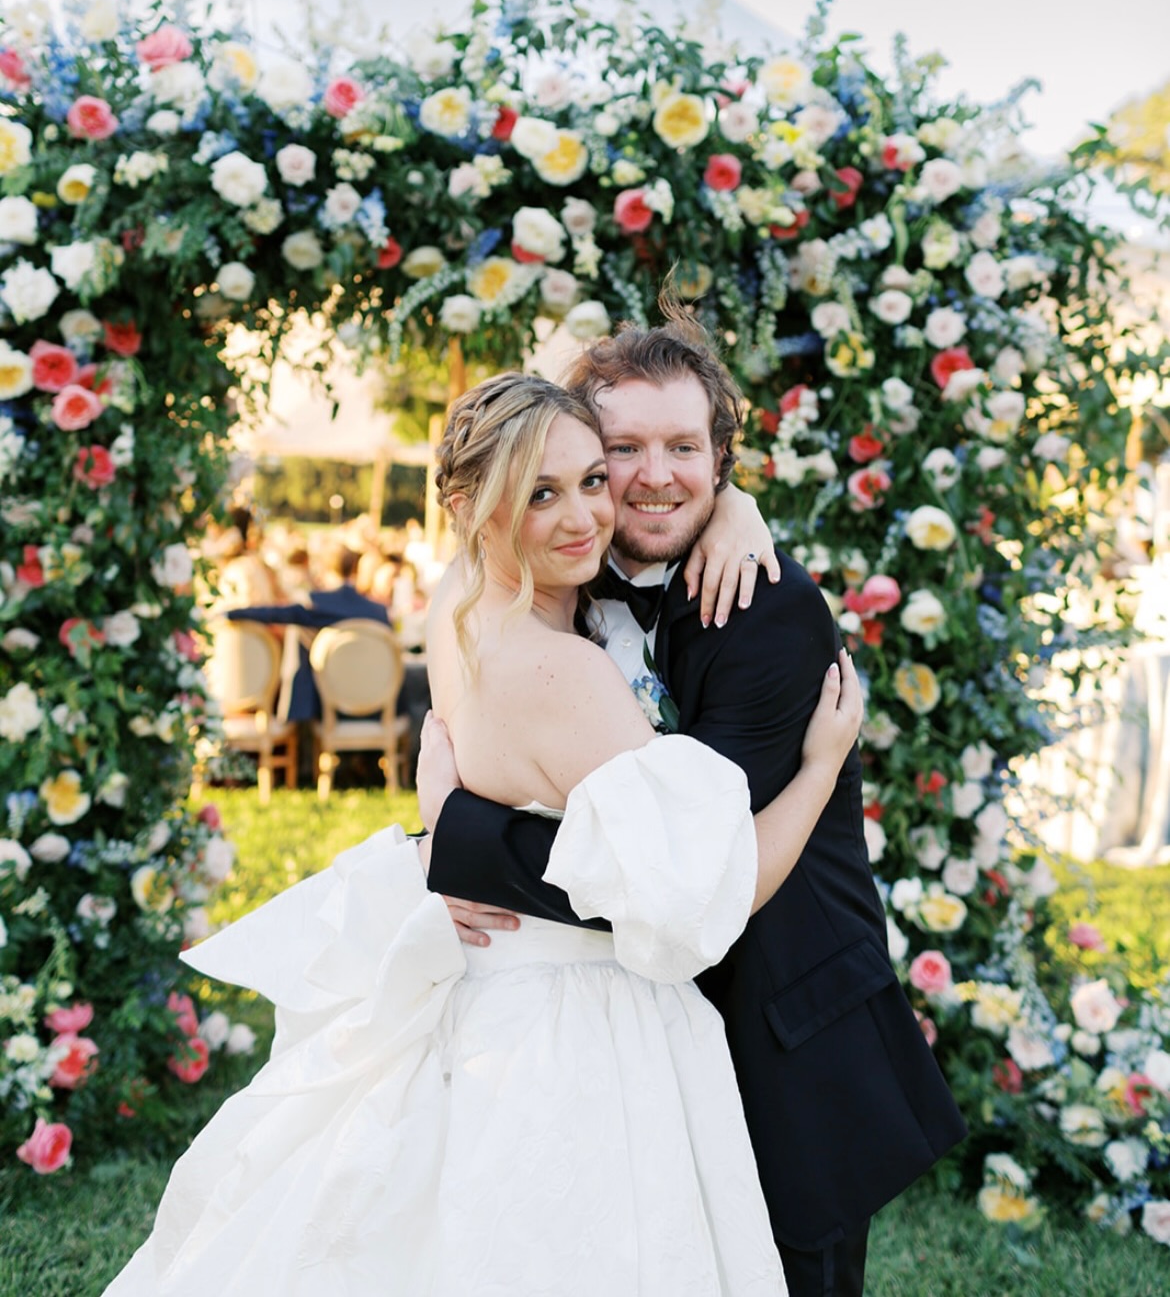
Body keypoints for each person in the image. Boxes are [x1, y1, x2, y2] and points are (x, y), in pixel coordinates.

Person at [103, 373, 861, 1296]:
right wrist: (821, 768)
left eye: (591, 479)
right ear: (472, 508)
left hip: (488, 985)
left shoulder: (459, 601)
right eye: (540, 495)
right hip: (577, 1020)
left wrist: (734, 506)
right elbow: (709, 896)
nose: (585, 515)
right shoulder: (566, 673)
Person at [424, 313, 967, 1297]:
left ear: (723, 458)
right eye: (622, 451)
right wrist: (438, 788)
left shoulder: (770, 614)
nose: (654, 477)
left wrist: (460, 838)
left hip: (780, 1022)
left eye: (684, 448)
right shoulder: (560, 574)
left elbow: (680, 872)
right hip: (632, 1029)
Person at [221, 542, 391, 721]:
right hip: (375, 707)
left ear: (324, 569)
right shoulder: (378, 611)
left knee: (300, 640)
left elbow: (274, 613)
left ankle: (298, 719)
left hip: (328, 711)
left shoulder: (318, 604)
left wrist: (229, 613)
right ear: (356, 569)